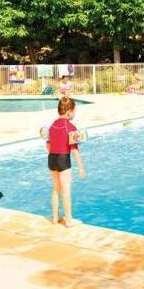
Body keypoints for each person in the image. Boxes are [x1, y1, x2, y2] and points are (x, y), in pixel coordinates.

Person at [46, 97, 86, 227]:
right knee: (66, 190)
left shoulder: (52, 125)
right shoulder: (70, 127)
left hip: (51, 158)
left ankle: (55, 217)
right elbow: (74, 150)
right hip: (63, 159)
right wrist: (81, 167)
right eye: (74, 111)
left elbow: (48, 145)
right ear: (69, 112)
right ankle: (68, 220)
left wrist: (54, 153)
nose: (74, 114)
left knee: (56, 189)